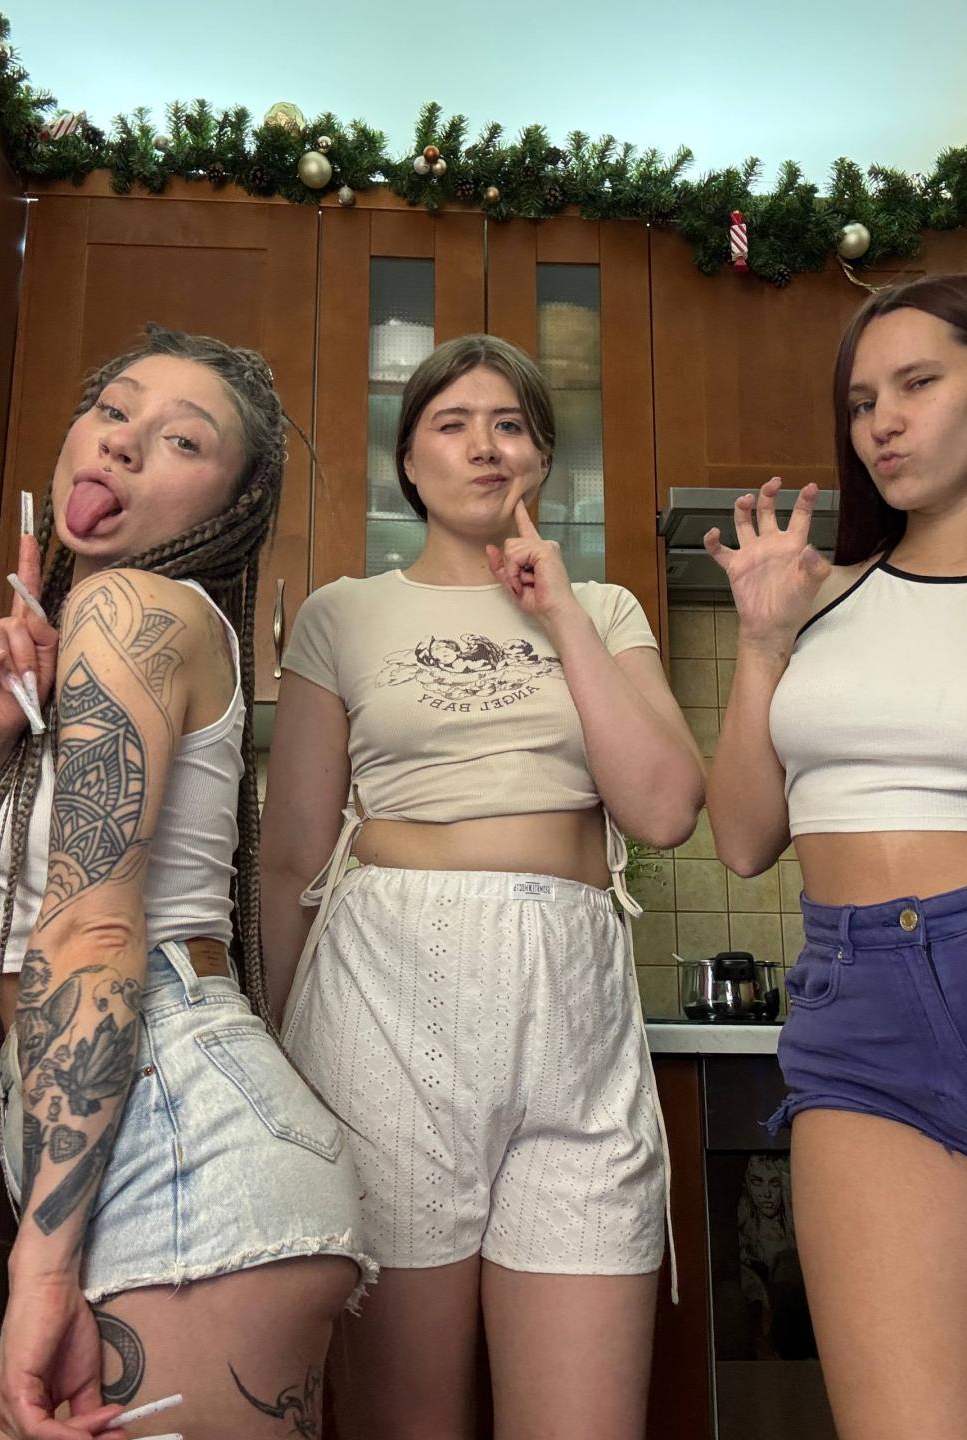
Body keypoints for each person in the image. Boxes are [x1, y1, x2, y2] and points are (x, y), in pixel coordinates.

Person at [260, 333, 705, 1440]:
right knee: (405, 1419)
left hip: (573, 1006)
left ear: (542, 458)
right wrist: (277, 1057)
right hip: (381, 996)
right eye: (451, 424)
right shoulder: (342, 613)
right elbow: (293, 859)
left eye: (509, 424)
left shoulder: (604, 611)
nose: (484, 445)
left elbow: (662, 809)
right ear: (408, 463)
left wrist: (558, 613)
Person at [0, 326, 376, 1440]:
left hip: (180, 1141)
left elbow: (94, 931)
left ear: (231, 507)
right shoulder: (74, 657)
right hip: (123, 1140)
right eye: (113, 409)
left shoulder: (132, 611)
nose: (124, 442)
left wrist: (40, 1270)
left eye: (183, 440)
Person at [704, 272, 967, 1439]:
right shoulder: (816, 600)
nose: (880, 422)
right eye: (858, 402)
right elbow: (743, 838)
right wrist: (759, 643)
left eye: (915, 384)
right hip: (863, 1023)